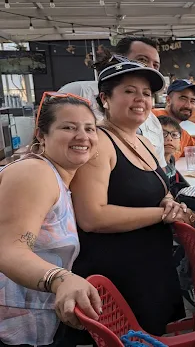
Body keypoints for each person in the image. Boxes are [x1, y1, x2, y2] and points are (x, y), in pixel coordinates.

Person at [66, 57, 195, 342]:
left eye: (146, 93)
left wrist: (167, 201)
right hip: (119, 273)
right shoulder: (100, 143)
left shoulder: (143, 141)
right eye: (129, 91)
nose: (140, 99)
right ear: (104, 98)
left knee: (152, 335)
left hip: (150, 267)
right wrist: (162, 214)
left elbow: (159, 187)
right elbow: (91, 217)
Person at [0, 94, 102, 347]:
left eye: (89, 128)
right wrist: (62, 279)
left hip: (33, 319)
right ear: (42, 135)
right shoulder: (35, 172)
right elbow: (9, 248)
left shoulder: (59, 176)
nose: (82, 136)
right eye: (68, 127)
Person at [58, 36, 167, 170]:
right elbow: (44, 140)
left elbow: (160, 171)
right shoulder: (79, 91)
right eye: (142, 60)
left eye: (155, 65)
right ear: (118, 59)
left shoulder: (153, 124)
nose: (150, 67)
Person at [157, 115, 195, 305]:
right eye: (163, 134)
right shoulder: (154, 163)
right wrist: (194, 216)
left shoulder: (170, 161)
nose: (169, 139)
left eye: (174, 135)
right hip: (158, 219)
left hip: (171, 209)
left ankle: (182, 264)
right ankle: (185, 279)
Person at [152, 79, 195, 159]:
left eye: (192, 101)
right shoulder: (151, 117)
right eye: (183, 98)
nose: (188, 106)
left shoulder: (183, 134)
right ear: (168, 100)